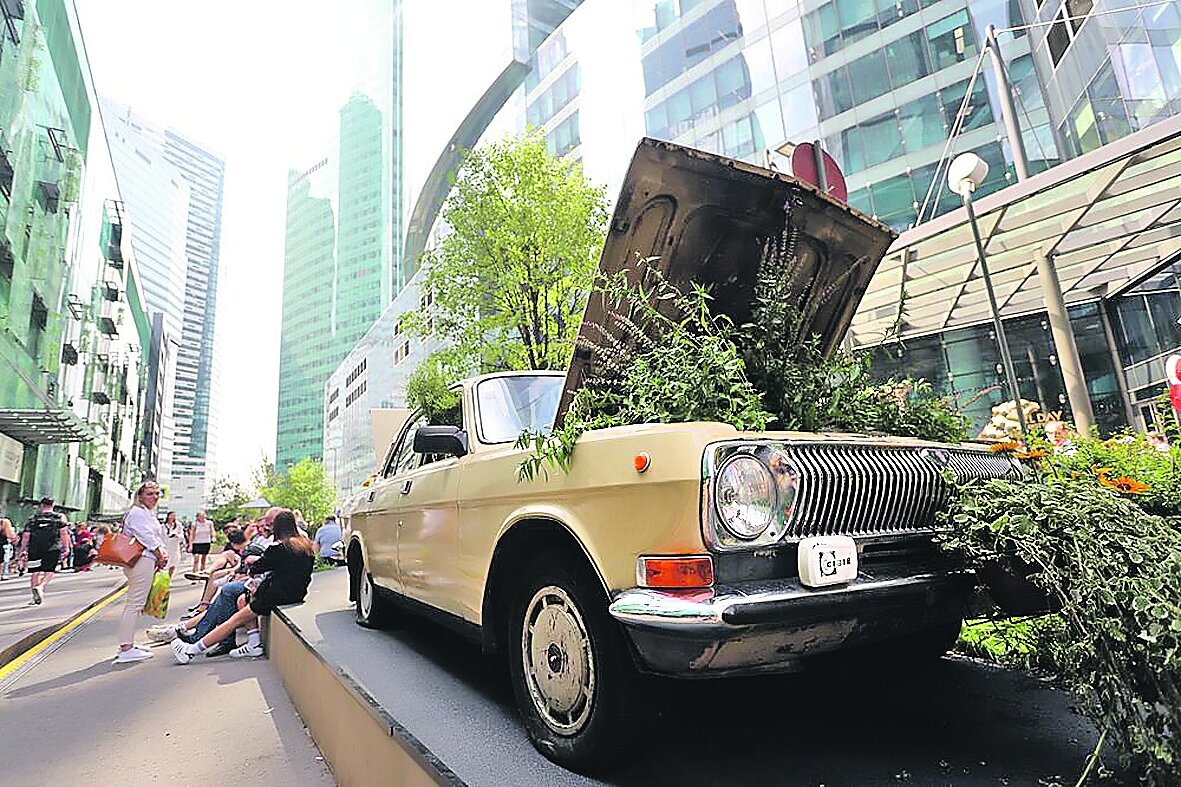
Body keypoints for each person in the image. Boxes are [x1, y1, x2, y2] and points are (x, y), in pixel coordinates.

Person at [173, 508, 314, 662]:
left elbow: (257, 568)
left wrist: (252, 561)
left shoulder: (279, 548)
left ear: (278, 527)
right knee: (242, 600)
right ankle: (254, 644)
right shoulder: (305, 545)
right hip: (297, 592)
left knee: (233, 620)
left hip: (275, 595)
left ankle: (191, 650)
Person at [115, 481, 169, 664]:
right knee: (134, 603)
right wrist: (159, 551)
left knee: (135, 603)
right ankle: (126, 648)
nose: (154, 497)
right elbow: (145, 536)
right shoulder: (137, 513)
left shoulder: (145, 513)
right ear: (139, 496)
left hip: (145, 560)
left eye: (156, 494)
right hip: (141, 560)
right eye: (149, 494)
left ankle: (127, 644)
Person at [18, 497, 70, 605]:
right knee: (49, 571)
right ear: (53, 505)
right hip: (52, 548)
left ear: (41, 505)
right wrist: (66, 548)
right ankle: (40, 587)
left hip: (35, 548)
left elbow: (26, 536)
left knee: (35, 572)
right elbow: (64, 533)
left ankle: (34, 598)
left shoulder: (33, 518)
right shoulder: (59, 517)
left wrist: (22, 550)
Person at [162, 511, 183, 579]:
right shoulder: (163, 526)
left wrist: (177, 535)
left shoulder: (178, 525)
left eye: (174, 516)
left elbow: (182, 535)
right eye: (171, 515)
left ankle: (169, 578)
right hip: (166, 546)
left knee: (173, 564)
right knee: (165, 564)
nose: (172, 517)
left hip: (175, 546)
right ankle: (162, 579)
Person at [1, 516, 16, 580]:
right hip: (3, 543)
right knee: (5, 560)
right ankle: (4, 574)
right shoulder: (5, 522)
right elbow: (9, 535)